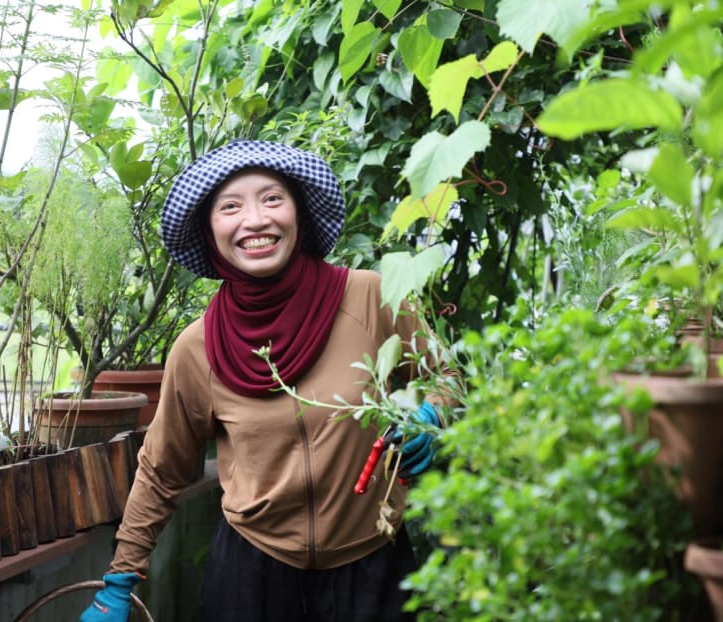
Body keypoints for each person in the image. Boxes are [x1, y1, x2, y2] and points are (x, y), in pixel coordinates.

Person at [79, 139, 450, 622]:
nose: (255, 220)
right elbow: (162, 466)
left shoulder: (371, 297)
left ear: (298, 214)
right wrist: (120, 577)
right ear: (211, 232)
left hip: (372, 569)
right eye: (230, 207)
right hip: (252, 577)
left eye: (272, 199)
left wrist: (432, 415)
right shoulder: (197, 348)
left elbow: (445, 377)